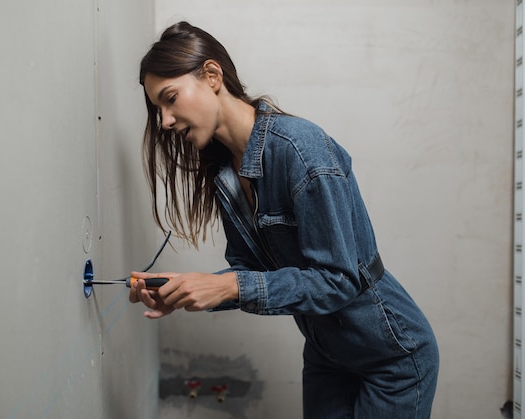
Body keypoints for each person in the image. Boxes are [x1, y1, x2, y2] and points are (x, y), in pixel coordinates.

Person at [130, 21, 439, 419]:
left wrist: (225, 286)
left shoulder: (301, 149)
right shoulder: (225, 172)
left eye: (170, 99)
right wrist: (185, 290)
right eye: (159, 109)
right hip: (327, 354)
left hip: (392, 359)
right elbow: (250, 271)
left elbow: (338, 279)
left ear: (211, 76)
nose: (166, 121)